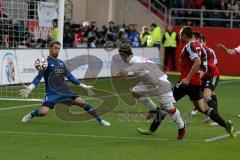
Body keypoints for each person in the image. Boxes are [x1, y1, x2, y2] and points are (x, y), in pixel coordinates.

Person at [138, 26, 237, 138]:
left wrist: (188, 78)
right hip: (195, 84)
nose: (180, 37)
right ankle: (226, 125)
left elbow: (197, 61)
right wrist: (198, 73)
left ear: (185, 35)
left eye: (180, 35)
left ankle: (152, 130)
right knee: (203, 108)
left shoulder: (189, 46)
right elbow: (203, 60)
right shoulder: (199, 46)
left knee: (165, 103)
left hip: (186, 83)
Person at [20, 41, 110, 126]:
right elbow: (39, 77)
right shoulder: (45, 63)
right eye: (55, 48)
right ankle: (31, 114)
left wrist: (83, 86)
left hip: (65, 90)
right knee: (44, 112)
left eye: (59, 48)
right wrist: (30, 87)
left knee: (82, 102)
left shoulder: (61, 63)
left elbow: (69, 76)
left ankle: (100, 120)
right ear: (50, 48)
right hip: (52, 93)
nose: (57, 50)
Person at [117, 41, 186, 140]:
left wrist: (127, 70)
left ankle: (181, 127)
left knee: (170, 109)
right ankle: (155, 109)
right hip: (150, 83)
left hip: (160, 84)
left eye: (120, 56)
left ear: (123, 55)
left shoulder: (135, 61)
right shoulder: (136, 58)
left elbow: (140, 66)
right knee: (135, 92)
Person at [191, 32, 220, 126]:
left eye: (193, 39)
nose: (192, 41)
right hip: (205, 75)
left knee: (206, 96)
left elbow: (207, 64)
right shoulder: (195, 49)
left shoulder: (204, 49)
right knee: (209, 95)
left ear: (199, 40)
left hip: (212, 75)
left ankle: (215, 119)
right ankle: (211, 115)